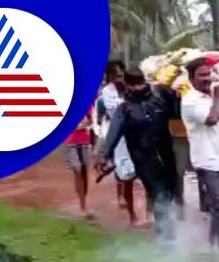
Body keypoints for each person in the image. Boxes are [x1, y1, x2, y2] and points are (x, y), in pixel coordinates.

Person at [101, 68, 178, 241]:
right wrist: (104, 155)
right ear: (127, 85)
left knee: (170, 192)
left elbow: (175, 112)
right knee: (159, 192)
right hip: (143, 158)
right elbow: (114, 132)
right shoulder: (125, 109)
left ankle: (167, 230)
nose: (138, 88)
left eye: (141, 83)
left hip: (166, 155)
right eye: (134, 84)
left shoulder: (158, 100)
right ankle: (165, 237)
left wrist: (171, 92)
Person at [181, 56, 219, 250]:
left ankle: (217, 244)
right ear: (191, 79)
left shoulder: (217, 94)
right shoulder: (189, 101)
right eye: (202, 75)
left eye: (209, 74)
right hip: (208, 164)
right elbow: (212, 118)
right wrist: (218, 94)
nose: (207, 79)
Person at [100, 60, 139, 226]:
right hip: (120, 140)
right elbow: (115, 112)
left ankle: (151, 213)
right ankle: (132, 215)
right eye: (115, 76)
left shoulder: (132, 89)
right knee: (127, 177)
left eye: (121, 76)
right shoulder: (107, 93)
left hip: (138, 137)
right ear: (109, 76)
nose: (119, 79)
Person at [63, 107, 94, 219]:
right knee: (77, 169)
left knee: (84, 172)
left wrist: (86, 124)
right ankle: (83, 206)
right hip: (69, 141)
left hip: (84, 140)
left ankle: (83, 201)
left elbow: (91, 120)